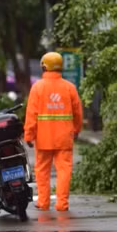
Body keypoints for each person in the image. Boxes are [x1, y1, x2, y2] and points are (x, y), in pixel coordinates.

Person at [24, 51, 83, 212]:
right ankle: (62, 204)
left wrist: (29, 135)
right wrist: (76, 129)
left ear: (44, 66)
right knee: (64, 171)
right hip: (64, 137)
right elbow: (78, 112)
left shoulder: (37, 87)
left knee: (42, 171)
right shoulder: (69, 87)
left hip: (44, 138)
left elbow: (31, 114)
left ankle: (43, 202)